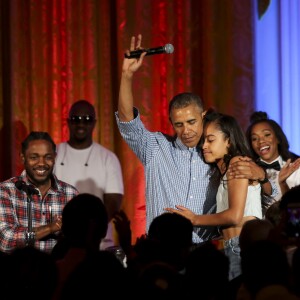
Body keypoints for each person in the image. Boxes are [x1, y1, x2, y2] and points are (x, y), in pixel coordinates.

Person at [116, 34, 271, 247]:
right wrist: (126, 75)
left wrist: (262, 175)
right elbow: (127, 122)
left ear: (203, 116)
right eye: (179, 124)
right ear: (170, 122)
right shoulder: (155, 148)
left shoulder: (214, 152)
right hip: (162, 248)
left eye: (191, 122)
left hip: (204, 253)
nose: (186, 130)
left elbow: (262, 196)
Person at [165, 111, 262, 280]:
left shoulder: (237, 163)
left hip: (242, 248)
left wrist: (195, 219)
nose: (204, 146)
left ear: (229, 141)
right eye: (203, 141)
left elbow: (234, 216)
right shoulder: (223, 171)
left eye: (210, 140)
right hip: (232, 247)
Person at [54, 100, 124, 249]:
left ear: (94, 123)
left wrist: (88, 233)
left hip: (98, 244)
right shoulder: (53, 154)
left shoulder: (108, 158)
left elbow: (113, 203)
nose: (81, 124)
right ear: (68, 122)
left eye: (87, 119)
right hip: (60, 241)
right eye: (76, 119)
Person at [0, 131, 78, 254]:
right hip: (18, 272)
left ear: (54, 157)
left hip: (58, 271)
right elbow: (6, 241)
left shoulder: (70, 194)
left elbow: (79, 242)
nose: (41, 163)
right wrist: (52, 227)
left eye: (48, 157)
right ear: (22, 158)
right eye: (34, 157)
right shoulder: (6, 191)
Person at [246, 111, 300, 212]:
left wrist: (282, 183)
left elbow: (295, 209)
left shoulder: (297, 168)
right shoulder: (248, 170)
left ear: (278, 139)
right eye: (254, 138)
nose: (261, 141)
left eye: (266, 135)